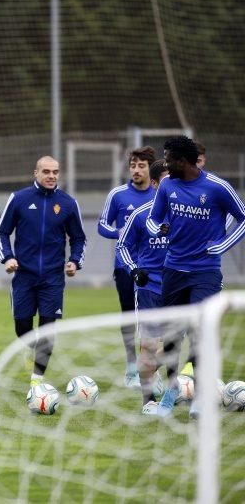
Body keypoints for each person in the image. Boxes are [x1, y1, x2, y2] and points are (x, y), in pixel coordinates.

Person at [145, 136, 245, 418]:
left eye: (169, 158)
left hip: (205, 272)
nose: (165, 164)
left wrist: (223, 245)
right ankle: (171, 393)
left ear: (183, 161)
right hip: (173, 269)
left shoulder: (217, 187)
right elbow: (153, 219)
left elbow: (244, 216)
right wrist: (158, 229)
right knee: (172, 334)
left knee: (200, 331)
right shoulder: (167, 185)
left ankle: (201, 394)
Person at [0, 156, 87, 390]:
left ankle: (38, 381)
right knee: (22, 328)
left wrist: (75, 262)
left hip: (53, 278)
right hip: (24, 275)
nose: (51, 176)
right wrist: (8, 257)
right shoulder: (19, 199)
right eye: (46, 171)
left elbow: (79, 238)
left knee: (48, 327)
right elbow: (1, 232)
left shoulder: (68, 203)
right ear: (35, 173)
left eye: (55, 172)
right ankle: (30, 348)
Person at [97, 146, 156, 388]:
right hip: (125, 267)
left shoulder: (159, 195)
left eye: (141, 165)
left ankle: (151, 367)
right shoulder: (118, 195)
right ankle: (132, 366)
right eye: (133, 165)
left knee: (154, 320)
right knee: (129, 316)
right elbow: (102, 225)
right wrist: (120, 232)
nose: (136, 170)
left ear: (150, 168)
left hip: (155, 267)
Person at [116, 159, 170, 414]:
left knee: (180, 342)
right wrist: (134, 269)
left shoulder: (185, 213)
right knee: (148, 345)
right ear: (157, 183)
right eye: (169, 180)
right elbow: (122, 246)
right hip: (149, 288)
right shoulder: (141, 214)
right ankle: (148, 401)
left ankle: (176, 389)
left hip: (178, 285)